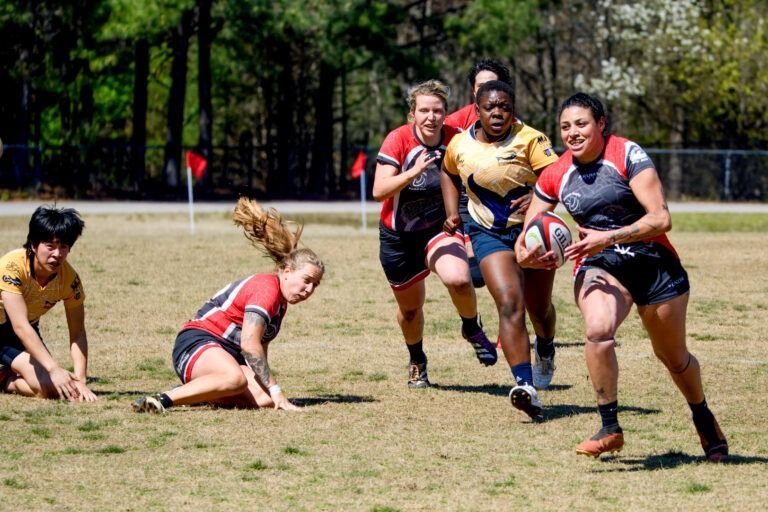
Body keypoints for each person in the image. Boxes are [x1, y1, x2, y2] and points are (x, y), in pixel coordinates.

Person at [516, 92, 728, 461]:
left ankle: (702, 414)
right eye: (565, 126)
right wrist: (535, 254)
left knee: (673, 358)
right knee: (597, 329)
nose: (573, 133)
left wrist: (608, 237)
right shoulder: (555, 173)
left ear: (601, 124)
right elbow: (524, 240)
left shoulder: (627, 154)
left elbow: (661, 218)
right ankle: (610, 426)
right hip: (600, 265)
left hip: (653, 262)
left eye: (581, 124)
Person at [132, 198, 324, 413]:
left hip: (225, 356)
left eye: (315, 285)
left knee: (264, 399)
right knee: (235, 379)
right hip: (197, 343)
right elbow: (250, 345)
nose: (309, 290)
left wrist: (270, 391)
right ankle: (161, 399)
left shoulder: (280, 301)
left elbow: (260, 348)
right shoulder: (266, 289)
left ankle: (198, 393)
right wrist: (276, 388)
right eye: (306, 280)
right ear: (287, 271)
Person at [441, 80, 559, 419]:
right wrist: (452, 212)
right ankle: (526, 386)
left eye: (505, 106)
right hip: (488, 234)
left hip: (533, 232)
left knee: (539, 309)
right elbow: (447, 173)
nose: (498, 112)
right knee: (509, 303)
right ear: (477, 109)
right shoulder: (459, 144)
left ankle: (546, 347)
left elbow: (557, 176)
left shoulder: (531, 139)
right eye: (490, 106)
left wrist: (538, 191)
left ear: (513, 109)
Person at [373, 79, 496, 389]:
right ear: (412, 113)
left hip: (440, 229)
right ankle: (417, 359)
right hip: (399, 236)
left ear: (445, 113)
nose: (431, 117)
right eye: (424, 110)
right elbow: (378, 191)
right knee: (411, 310)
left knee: (458, 278)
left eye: (438, 111)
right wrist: (412, 173)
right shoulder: (398, 140)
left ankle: (471, 327)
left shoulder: (457, 139)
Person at [0, 205, 97, 401]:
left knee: (51, 389)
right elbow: (20, 325)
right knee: (49, 381)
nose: (57, 254)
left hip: (24, 330)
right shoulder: (12, 267)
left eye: (64, 247)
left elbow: (77, 332)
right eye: (50, 246)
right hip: (13, 327)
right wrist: (53, 368)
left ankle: (4, 378)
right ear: (34, 246)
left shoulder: (69, 280)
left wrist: (80, 379)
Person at [445, 59, 515, 289]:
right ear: (472, 90)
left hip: (504, 202)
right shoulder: (453, 124)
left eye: (492, 84)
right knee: (474, 277)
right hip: (466, 199)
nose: (485, 89)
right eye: (480, 85)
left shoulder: (516, 125)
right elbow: (443, 168)